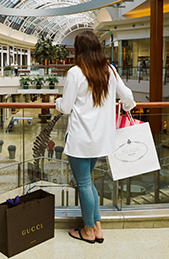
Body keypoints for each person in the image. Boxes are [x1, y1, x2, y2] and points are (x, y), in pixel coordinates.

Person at [55, 30, 136, 244]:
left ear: (79, 50)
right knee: (88, 183)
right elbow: (127, 97)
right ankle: (96, 226)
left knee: (83, 184)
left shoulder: (75, 72)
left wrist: (56, 102)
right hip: (101, 139)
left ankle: (89, 231)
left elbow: (65, 107)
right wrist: (128, 106)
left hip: (81, 138)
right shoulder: (109, 70)